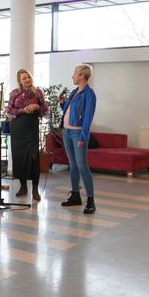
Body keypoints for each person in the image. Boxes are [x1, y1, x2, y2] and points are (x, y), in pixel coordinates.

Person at [4, 69, 49, 202]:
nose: (27, 80)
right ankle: (23, 187)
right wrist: (22, 110)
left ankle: (35, 189)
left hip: (31, 128)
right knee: (20, 158)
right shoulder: (14, 93)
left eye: (28, 77)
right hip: (17, 128)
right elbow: (8, 110)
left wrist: (36, 106)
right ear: (20, 81)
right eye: (24, 78)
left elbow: (45, 110)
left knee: (34, 158)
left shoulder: (38, 92)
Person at [59, 64, 97, 214]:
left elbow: (88, 118)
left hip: (77, 134)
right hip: (67, 132)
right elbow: (69, 112)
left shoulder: (89, 94)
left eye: (74, 73)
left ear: (82, 75)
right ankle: (75, 195)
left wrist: (83, 137)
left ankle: (91, 200)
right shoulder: (74, 92)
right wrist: (63, 104)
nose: (72, 76)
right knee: (73, 165)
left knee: (82, 166)